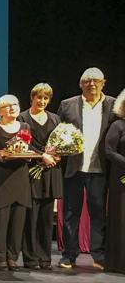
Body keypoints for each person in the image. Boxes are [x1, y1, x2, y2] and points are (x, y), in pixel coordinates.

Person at [57, 67, 116, 270]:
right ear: (80, 84)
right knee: (71, 213)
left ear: (103, 83)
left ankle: (98, 255)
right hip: (74, 168)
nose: (92, 84)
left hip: (100, 170)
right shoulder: (67, 105)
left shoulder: (114, 105)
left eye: (96, 80)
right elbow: (58, 134)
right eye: (87, 81)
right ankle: (69, 255)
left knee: (98, 213)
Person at [18, 83, 62, 270]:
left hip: (51, 173)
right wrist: (41, 156)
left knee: (45, 219)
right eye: (39, 97)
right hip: (32, 172)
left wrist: (57, 155)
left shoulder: (55, 119)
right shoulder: (23, 118)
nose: (42, 101)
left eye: (46, 98)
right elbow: (23, 144)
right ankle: (30, 259)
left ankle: (45, 259)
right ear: (32, 98)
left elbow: (61, 143)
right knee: (31, 218)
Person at [0, 94, 31, 271]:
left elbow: (28, 149)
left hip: (20, 179)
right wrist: (3, 156)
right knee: (1, 222)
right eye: (8, 106)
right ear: (0, 111)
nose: (13, 108)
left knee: (18, 222)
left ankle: (13, 257)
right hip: (1, 180)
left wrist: (32, 155)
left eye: (15, 105)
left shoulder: (25, 127)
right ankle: (1, 258)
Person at [105, 88, 125, 274]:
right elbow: (110, 151)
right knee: (121, 219)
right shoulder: (118, 125)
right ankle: (119, 262)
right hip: (121, 178)